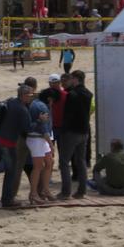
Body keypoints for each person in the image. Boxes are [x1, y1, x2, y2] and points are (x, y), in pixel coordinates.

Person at [58, 70, 94, 199]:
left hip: (71, 132)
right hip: (84, 131)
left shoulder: (72, 95)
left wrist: (63, 130)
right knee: (81, 161)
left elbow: (68, 115)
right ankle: (82, 190)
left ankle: (66, 192)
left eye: (72, 78)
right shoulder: (88, 94)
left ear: (76, 79)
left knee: (64, 162)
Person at [25, 89, 56, 204]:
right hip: (37, 139)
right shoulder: (42, 107)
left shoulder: (35, 103)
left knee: (49, 162)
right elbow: (44, 128)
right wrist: (51, 144)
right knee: (38, 166)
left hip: (38, 139)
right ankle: (34, 193)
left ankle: (45, 190)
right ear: (50, 99)